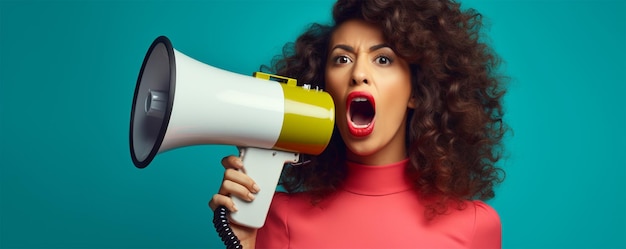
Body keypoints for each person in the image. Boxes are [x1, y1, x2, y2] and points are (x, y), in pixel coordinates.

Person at [210, 0, 508, 248]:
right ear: (323, 88)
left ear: (416, 91)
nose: (358, 74)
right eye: (342, 59)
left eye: (383, 60)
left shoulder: (474, 226)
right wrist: (244, 242)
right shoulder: (279, 217)